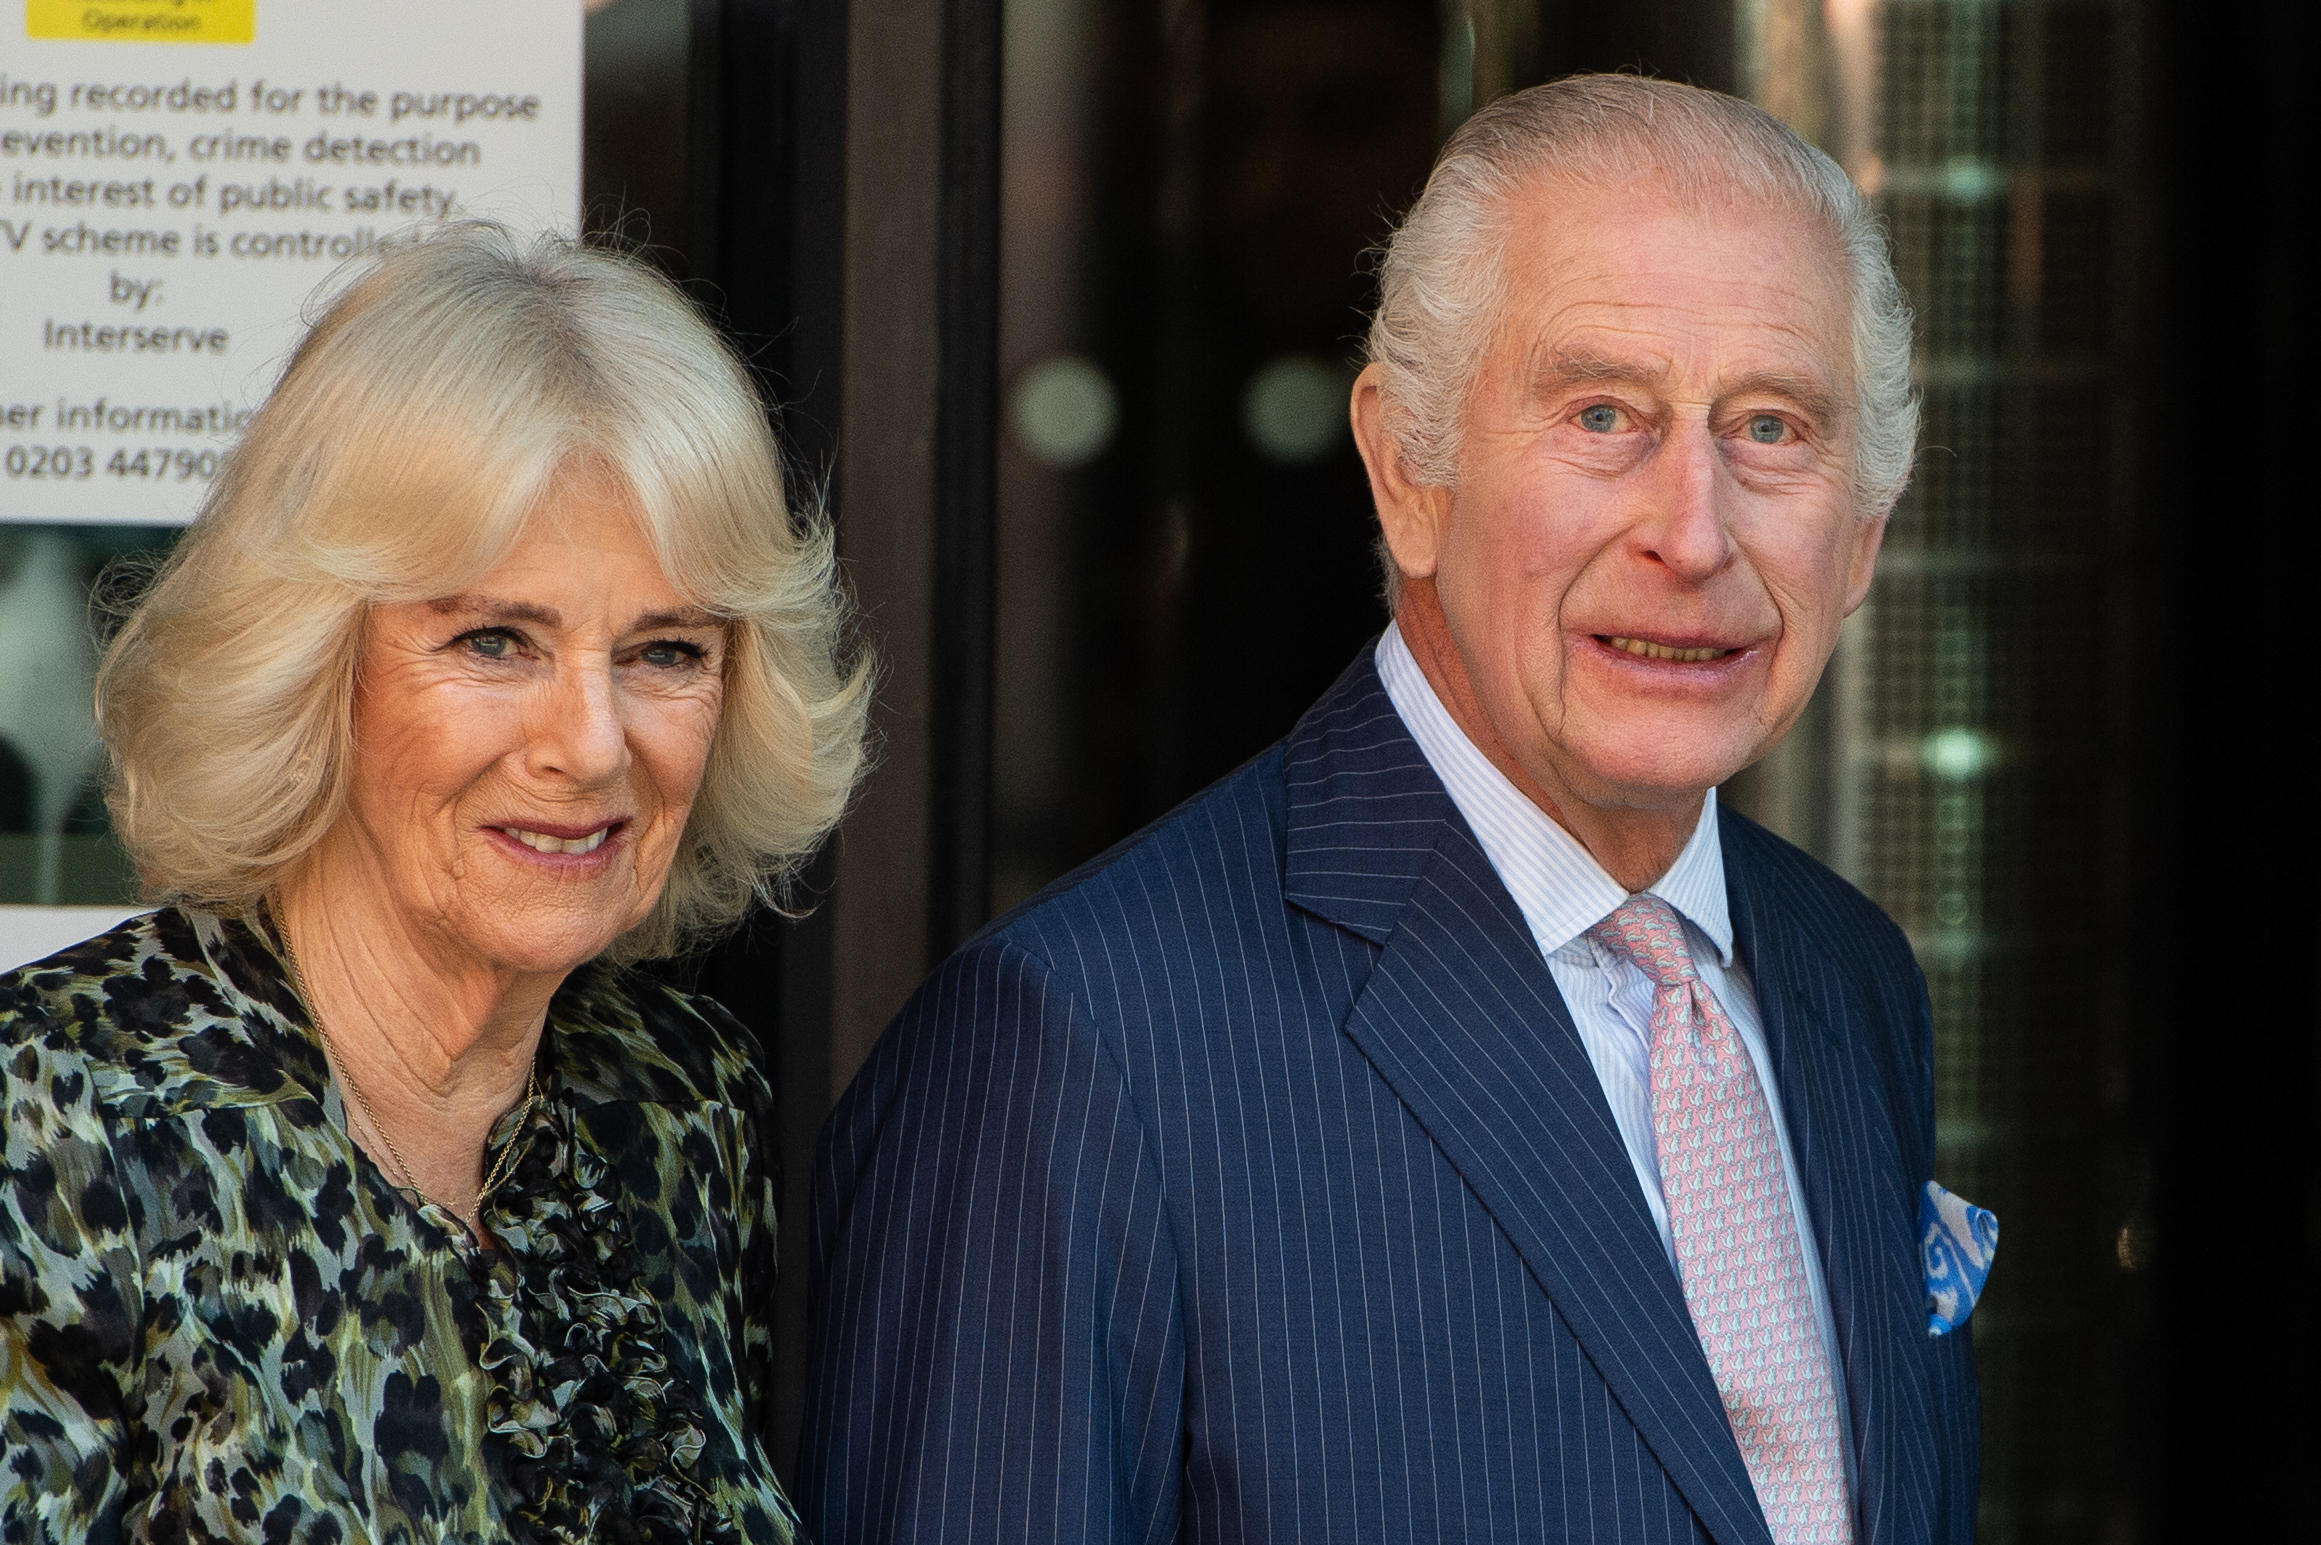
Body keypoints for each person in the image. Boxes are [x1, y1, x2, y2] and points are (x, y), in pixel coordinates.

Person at [800, 76, 1994, 1545]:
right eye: (1601, 414)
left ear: (1864, 528)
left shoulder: (1849, 976)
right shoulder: (1074, 1049)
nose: (1693, 532)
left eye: (1770, 427)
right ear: (1407, 469)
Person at [0, 224, 868, 1543]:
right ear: (315, 662)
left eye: (666, 652)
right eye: (497, 640)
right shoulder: (54, 1123)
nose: (591, 743)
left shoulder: (681, 1102)